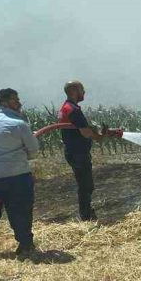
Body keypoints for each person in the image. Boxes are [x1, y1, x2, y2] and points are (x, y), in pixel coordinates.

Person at [0, 88, 40, 258]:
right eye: (15, 100)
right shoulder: (19, 124)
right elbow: (34, 151)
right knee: (21, 209)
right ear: (6, 102)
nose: (19, 103)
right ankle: (25, 245)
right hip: (17, 174)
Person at [58, 80, 106, 220]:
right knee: (86, 185)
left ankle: (86, 213)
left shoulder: (65, 107)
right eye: (81, 89)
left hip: (73, 151)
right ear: (74, 91)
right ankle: (86, 216)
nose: (84, 92)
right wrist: (99, 136)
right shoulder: (73, 110)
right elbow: (85, 132)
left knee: (84, 184)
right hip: (78, 153)